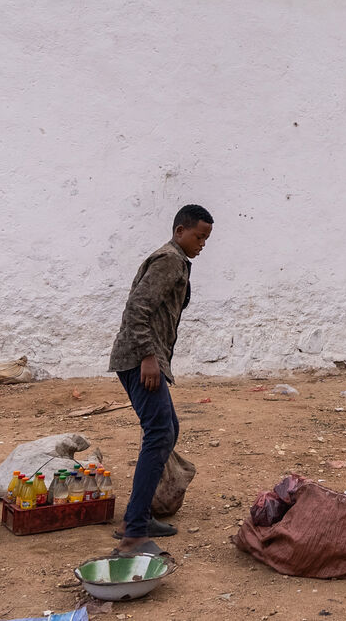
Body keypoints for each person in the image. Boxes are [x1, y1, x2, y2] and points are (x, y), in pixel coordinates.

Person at [108, 204, 214, 556]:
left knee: (168, 430)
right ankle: (134, 532)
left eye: (206, 239)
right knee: (159, 433)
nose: (202, 244)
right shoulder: (169, 259)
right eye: (198, 236)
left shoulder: (177, 260)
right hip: (140, 360)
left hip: (147, 359)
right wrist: (148, 358)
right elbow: (137, 309)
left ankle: (139, 514)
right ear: (180, 231)